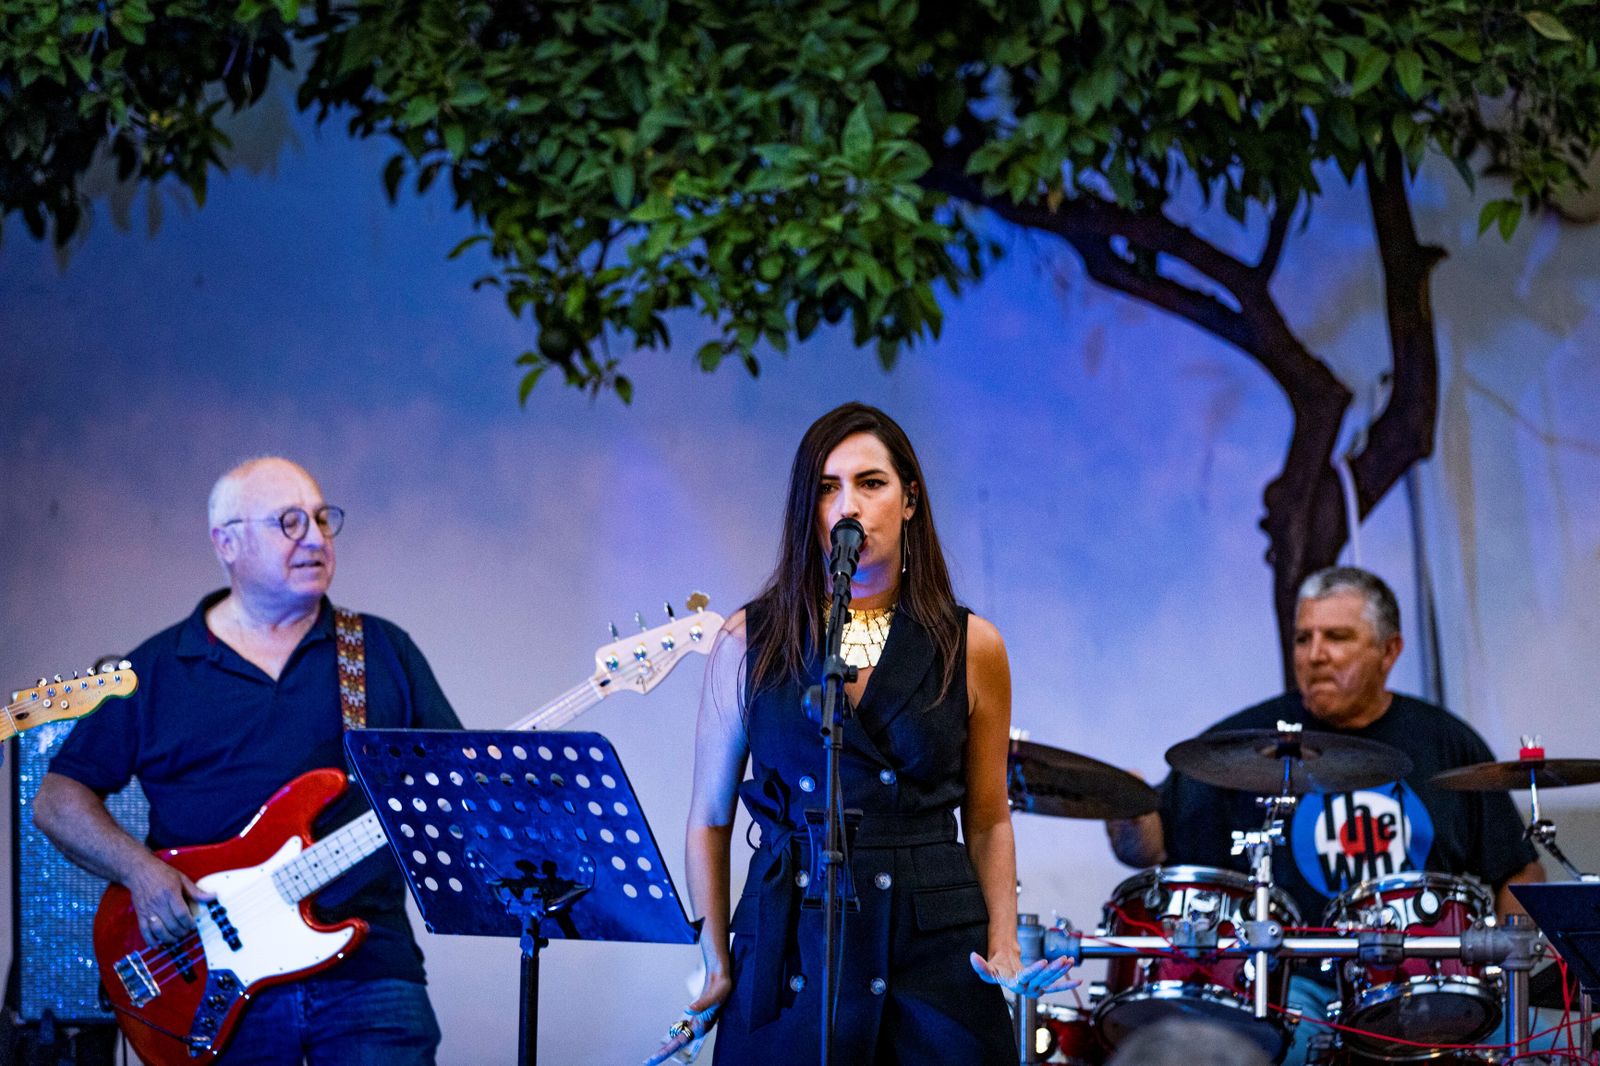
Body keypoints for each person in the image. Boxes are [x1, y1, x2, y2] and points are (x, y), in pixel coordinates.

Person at [659, 403, 1074, 1065]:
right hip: (790, 940)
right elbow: (708, 816)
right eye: (828, 487)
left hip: (931, 948)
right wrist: (716, 961)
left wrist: (1003, 944)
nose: (847, 505)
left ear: (909, 499)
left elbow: (989, 817)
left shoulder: (972, 646)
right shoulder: (748, 640)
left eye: (870, 483)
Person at [33, 457, 461, 1065]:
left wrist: (509, 789)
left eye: (321, 519)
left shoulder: (379, 650)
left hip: (369, 968)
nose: (314, 538)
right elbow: (57, 800)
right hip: (209, 977)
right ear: (226, 543)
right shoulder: (157, 667)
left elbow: (452, 778)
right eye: (289, 522)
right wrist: (141, 872)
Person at [1106, 565, 1543, 1064]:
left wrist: (1500, 968)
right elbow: (1149, 848)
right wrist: (1124, 810)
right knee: (1274, 1048)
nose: (1314, 655)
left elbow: (1520, 872)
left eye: (1336, 637)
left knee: (1531, 1045)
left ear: (1390, 651)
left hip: (1431, 979)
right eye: (1302, 638)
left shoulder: (1445, 742)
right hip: (1297, 982)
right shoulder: (1245, 743)